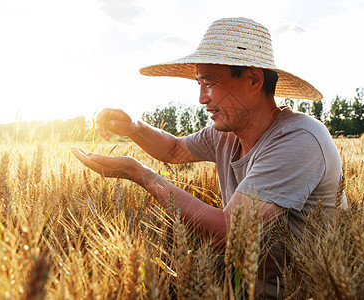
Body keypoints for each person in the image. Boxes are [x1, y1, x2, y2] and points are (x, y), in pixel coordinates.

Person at [72, 17, 347, 298]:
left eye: (210, 83)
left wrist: (140, 174)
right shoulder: (226, 132)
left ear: (253, 79)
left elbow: (227, 233)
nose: (202, 98)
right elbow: (174, 150)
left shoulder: (299, 139)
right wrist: (133, 128)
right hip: (240, 287)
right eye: (198, 84)